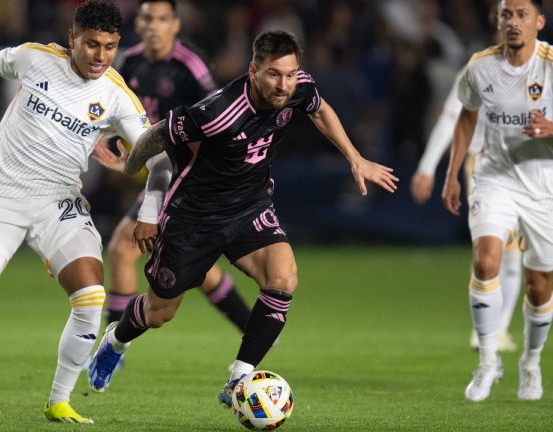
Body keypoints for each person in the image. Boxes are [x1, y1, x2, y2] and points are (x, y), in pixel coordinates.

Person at [87, 29, 398, 405]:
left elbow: (319, 109)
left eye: (290, 74)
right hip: (193, 218)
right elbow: (157, 135)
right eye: (273, 75)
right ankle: (115, 341)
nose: (284, 85)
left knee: (283, 277)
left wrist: (355, 158)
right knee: (158, 312)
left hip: (249, 207)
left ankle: (239, 379)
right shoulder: (217, 113)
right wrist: (130, 168)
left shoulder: (297, 87)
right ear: (253, 71)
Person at [0, 0, 148, 423]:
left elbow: (153, 153)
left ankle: (59, 399)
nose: (100, 56)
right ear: (73, 38)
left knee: (91, 296)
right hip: (1, 193)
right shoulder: (35, 59)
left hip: (58, 200)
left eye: (110, 47)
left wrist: (134, 168)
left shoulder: (116, 96)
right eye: (92, 44)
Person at [99, 0, 251, 333]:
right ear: (137, 24)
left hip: (187, 177)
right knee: (191, 266)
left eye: (162, 19)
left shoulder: (190, 66)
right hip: (157, 170)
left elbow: (220, 117)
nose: (154, 25)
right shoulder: (131, 61)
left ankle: (113, 342)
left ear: (175, 25)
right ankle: (251, 326)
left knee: (124, 249)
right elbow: (113, 110)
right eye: (148, 19)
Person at [442, 0, 552, 402]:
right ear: (499, 21)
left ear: (539, 21)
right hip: (495, 178)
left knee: (540, 286)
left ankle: (531, 361)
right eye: (507, 14)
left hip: (544, 185)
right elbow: (467, 116)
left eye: (522, 14)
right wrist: (453, 173)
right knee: (486, 259)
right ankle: (488, 361)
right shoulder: (481, 66)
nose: (513, 22)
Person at [411, 71, 522, 353]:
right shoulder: (479, 70)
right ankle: (487, 329)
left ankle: (497, 330)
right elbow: (451, 117)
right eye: (504, 22)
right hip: (484, 163)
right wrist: (427, 166)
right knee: (491, 246)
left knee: (514, 255)